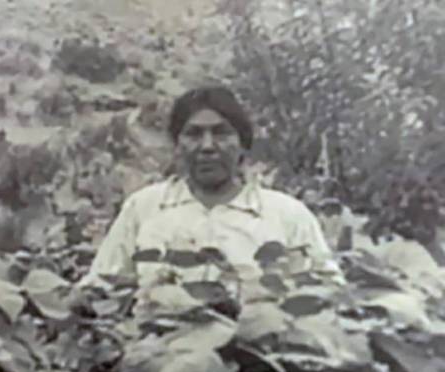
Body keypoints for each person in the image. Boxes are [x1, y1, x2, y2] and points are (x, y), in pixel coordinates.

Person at [82, 85, 343, 296]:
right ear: (177, 144)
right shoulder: (144, 207)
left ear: (242, 143)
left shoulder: (286, 214)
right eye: (194, 134)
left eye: (221, 133)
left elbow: (330, 293)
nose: (207, 146)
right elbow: (99, 286)